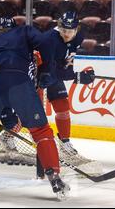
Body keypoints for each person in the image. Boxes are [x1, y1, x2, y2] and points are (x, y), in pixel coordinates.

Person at [0, 16, 70, 201]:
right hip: (19, 81)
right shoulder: (24, 31)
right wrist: (46, 69)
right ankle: (54, 177)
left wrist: (3, 110)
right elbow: (45, 42)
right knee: (41, 131)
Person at [40, 11, 95, 154]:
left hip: (52, 72)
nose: (67, 34)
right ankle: (8, 136)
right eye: (64, 30)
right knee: (33, 110)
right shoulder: (50, 39)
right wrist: (77, 77)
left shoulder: (78, 38)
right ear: (59, 27)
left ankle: (65, 142)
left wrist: (77, 75)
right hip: (37, 72)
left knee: (63, 105)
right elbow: (51, 69)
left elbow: (65, 65)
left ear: (77, 29)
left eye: (70, 31)